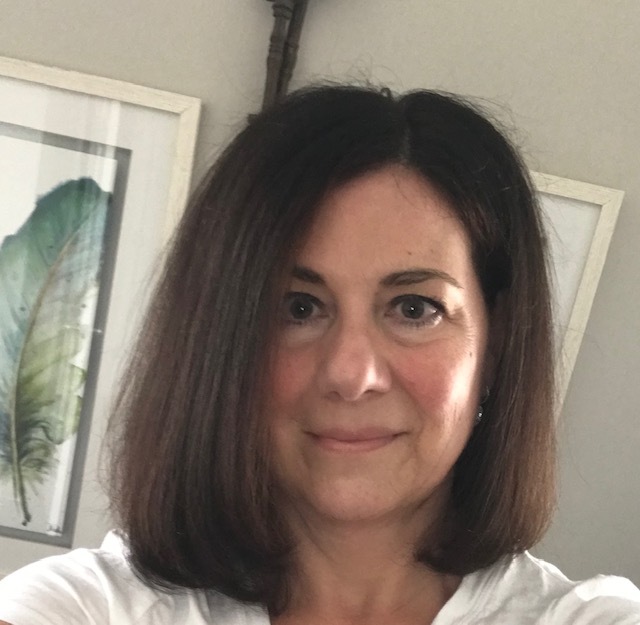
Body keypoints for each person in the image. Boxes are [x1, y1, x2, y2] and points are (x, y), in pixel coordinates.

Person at [1, 85, 639, 625]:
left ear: (494, 347)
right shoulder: (78, 607)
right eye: (298, 308)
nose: (352, 375)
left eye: (414, 309)